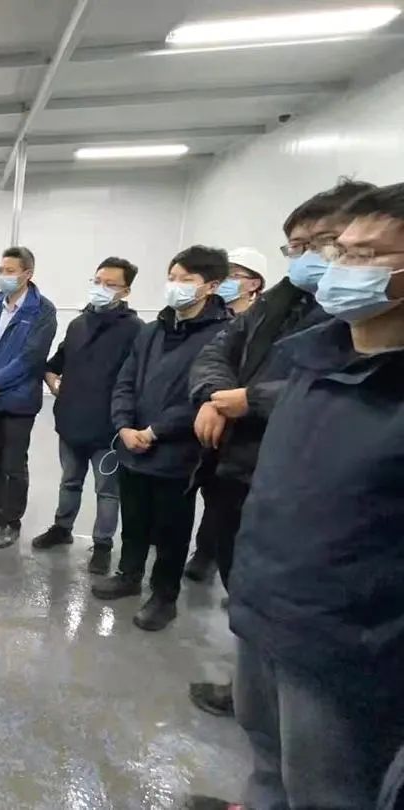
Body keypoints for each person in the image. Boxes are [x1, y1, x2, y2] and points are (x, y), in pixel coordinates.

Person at [195, 183, 404, 810]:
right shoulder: (312, 362)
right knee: (267, 765)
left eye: (364, 255)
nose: (338, 267)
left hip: (348, 646)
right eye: (337, 251)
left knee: (327, 789)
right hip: (265, 612)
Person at [183, 180, 373, 719]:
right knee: (243, 581)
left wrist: (251, 400)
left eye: (324, 243)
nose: (308, 256)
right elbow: (216, 352)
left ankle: (272, 706)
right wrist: (217, 398)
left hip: (298, 475)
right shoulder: (277, 304)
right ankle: (250, 690)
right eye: (297, 246)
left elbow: (343, 383)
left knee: (291, 602)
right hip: (236, 467)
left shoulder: (359, 311)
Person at [92, 246, 230, 631]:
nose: (176, 285)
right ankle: (128, 575)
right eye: (172, 277)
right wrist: (123, 425)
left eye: (186, 279)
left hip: (177, 452)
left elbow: (206, 396)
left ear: (211, 286)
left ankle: (164, 597)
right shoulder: (152, 331)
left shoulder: (222, 336)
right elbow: (125, 380)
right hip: (132, 445)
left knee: (171, 529)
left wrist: (155, 431)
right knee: (134, 518)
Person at [34, 257, 142, 574]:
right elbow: (54, 364)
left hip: (108, 429)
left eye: (110, 284)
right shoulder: (78, 325)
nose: (100, 288)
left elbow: (137, 380)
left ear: (125, 291)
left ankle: (103, 544)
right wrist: (53, 383)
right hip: (71, 421)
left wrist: (126, 421)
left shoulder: (135, 330)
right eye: (97, 281)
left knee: (107, 491)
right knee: (69, 481)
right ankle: (62, 528)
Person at [0, 246, 58, 549]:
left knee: (13, 464)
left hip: (17, 398)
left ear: (27, 274)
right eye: (1, 270)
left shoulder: (42, 311)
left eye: (10, 271)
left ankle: (11, 521)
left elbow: (32, 357)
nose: (3, 276)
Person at [217, 247, 267, 316]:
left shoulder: (255, 320)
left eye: (234, 275)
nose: (221, 280)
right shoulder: (208, 316)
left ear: (254, 284)